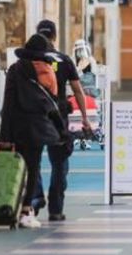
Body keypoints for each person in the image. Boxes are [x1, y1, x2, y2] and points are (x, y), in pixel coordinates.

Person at [0, 34, 69, 229]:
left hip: (16, 126)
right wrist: (62, 130)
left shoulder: (14, 69)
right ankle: (26, 210)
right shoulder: (47, 71)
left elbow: (9, 102)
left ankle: (11, 206)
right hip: (37, 127)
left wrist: (4, 135)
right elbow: (52, 101)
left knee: (16, 170)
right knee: (33, 167)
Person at [35, 20, 93, 223]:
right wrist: (85, 118)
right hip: (58, 116)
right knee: (59, 164)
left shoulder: (29, 59)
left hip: (34, 115)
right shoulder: (64, 60)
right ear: (55, 36)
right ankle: (55, 209)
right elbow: (77, 90)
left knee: (32, 160)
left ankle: (35, 198)